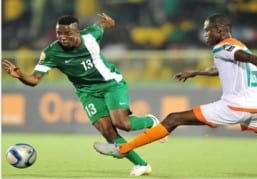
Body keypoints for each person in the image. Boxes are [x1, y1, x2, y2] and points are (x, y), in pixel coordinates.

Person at [93, 13, 257, 164]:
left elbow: (248, 58)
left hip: (237, 106)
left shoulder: (225, 46)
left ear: (219, 30)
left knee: (174, 118)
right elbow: (223, 67)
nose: (204, 34)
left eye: (207, 30)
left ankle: (122, 149)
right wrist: (196, 72)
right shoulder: (238, 45)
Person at [2, 13, 167, 176]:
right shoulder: (51, 53)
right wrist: (20, 75)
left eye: (68, 33)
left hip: (110, 84)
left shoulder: (90, 36)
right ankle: (141, 164)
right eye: (59, 33)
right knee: (107, 131)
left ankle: (150, 121)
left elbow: (101, 26)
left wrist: (109, 22)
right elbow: (34, 80)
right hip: (86, 92)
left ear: (78, 32)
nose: (63, 37)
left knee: (123, 124)